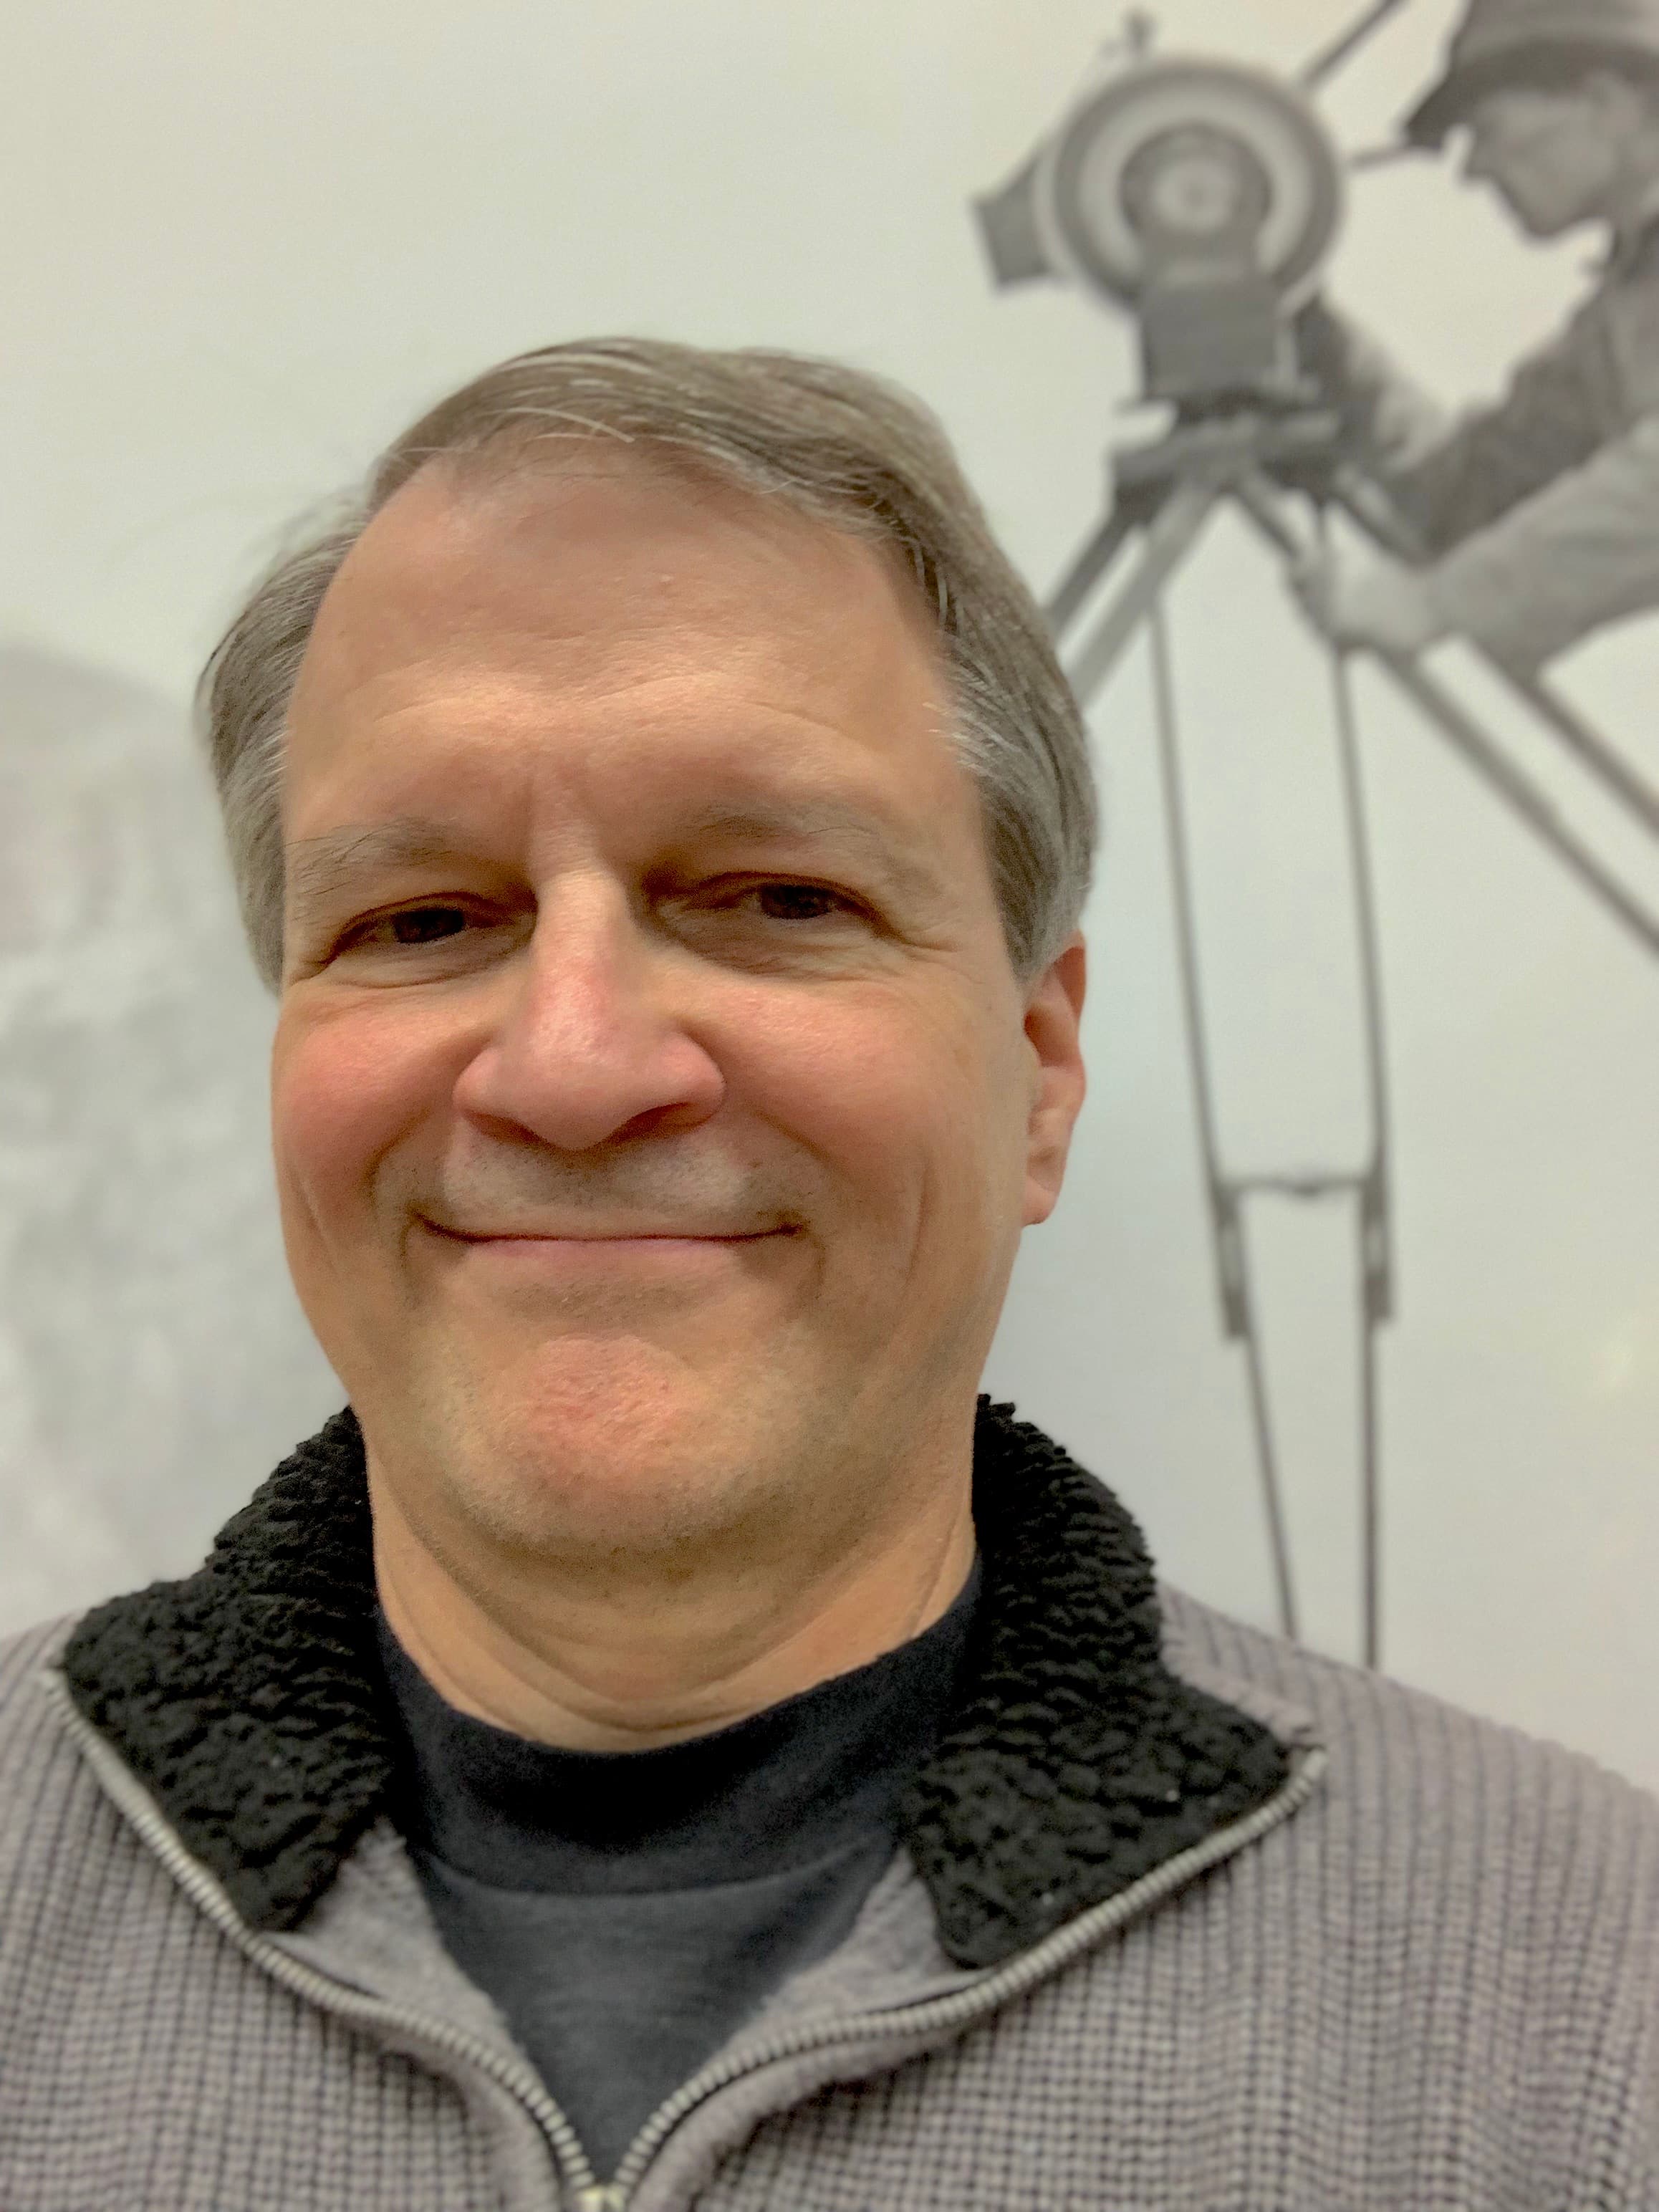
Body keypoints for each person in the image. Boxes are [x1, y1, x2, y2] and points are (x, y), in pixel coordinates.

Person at [0, 338, 1653, 2212]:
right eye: (425, 918)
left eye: (777, 896)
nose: (571, 1062)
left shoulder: (1579, 2016)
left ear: (1037, 1070)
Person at [1293, 0, 1659, 672]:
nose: (1474, 170)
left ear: (1605, 104)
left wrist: (1437, 604)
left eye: (1490, 131)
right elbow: (1473, 496)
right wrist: (1305, 327)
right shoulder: (1629, 312)